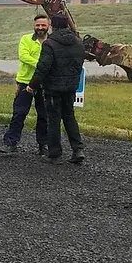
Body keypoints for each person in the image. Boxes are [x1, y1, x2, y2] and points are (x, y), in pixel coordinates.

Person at [26, 12, 85, 164]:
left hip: (53, 88)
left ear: (53, 26)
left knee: (53, 120)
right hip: (70, 88)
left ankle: (55, 154)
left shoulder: (49, 43)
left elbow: (43, 68)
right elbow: (79, 65)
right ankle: (78, 150)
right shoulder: (78, 42)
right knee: (70, 117)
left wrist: (32, 85)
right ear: (66, 25)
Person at [0, 14, 50, 154]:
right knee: (19, 114)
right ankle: (10, 143)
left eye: (43, 25)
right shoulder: (25, 39)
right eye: (38, 25)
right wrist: (43, 65)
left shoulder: (52, 41)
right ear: (34, 25)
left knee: (44, 115)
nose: (40, 28)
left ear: (49, 26)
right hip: (24, 82)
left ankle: (44, 145)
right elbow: (23, 56)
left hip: (44, 84)